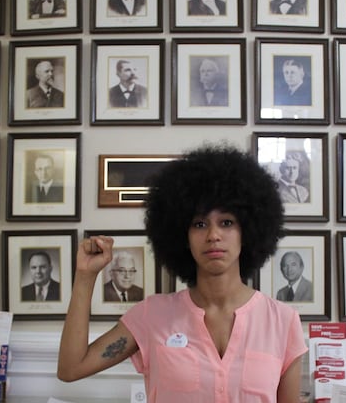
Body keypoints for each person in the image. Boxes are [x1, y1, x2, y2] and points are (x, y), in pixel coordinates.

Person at [58, 145, 307, 403]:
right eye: (199, 224)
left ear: (249, 231)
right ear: (182, 236)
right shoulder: (152, 316)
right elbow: (70, 368)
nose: (213, 235)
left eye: (227, 222)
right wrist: (85, 277)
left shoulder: (283, 322)